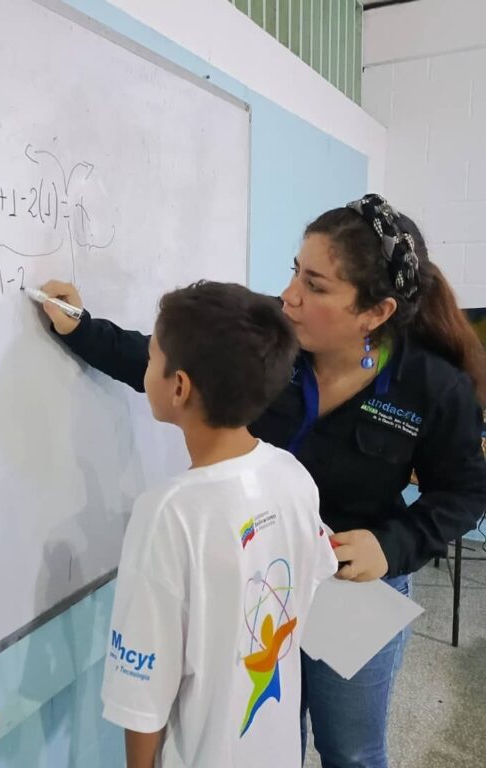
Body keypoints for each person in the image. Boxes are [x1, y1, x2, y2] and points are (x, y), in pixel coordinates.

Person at [39, 194, 486, 768]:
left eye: (317, 286)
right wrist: (80, 329)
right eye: (294, 271)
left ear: (375, 313)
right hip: (258, 581)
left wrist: (391, 544)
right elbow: (175, 365)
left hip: (353, 591)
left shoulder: (431, 387)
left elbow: (465, 492)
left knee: (350, 751)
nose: (290, 296)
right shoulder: (272, 342)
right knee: (269, 735)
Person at [96, 281, 337, 768]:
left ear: (179, 386)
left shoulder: (168, 513)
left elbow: (142, 696)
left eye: (150, 359)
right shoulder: (293, 476)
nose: (145, 371)